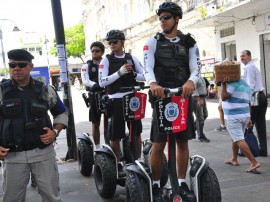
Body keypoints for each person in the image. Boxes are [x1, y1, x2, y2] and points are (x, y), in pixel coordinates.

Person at [143, 2, 200, 201]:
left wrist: (191, 81)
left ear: (177, 19)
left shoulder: (189, 42)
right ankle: (157, 185)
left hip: (183, 97)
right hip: (162, 97)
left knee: (182, 142)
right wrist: (153, 83)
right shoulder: (152, 42)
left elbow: (196, 68)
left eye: (166, 17)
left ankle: (182, 183)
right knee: (159, 144)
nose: (162, 21)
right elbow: (147, 67)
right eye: (160, 18)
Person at [0, 49, 68, 201]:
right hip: (13, 155)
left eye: (21, 65)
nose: (16, 68)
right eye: (12, 65)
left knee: (52, 197)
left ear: (31, 66)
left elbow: (62, 113)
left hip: (42, 153)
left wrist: (54, 132)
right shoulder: (1, 92)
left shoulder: (45, 90)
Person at [99, 30, 145, 163]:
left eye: (115, 42)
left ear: (122, 42)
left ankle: (138, 161)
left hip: (132, 99)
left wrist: (134, 75)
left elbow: (146, 76)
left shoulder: (132, 58)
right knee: (115, 135)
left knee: (136, 133)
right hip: (115, 100)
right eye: (110, 42)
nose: (112, 44)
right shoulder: (106, 60)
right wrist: (119, 73)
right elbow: (102, 82)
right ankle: (117, 164)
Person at [220, 77, 261, 172]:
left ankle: (254, 162)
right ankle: (234, 159)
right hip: (244, 115)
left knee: (238, 139)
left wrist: (223, 84)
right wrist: (249, 117)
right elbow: (249, 102)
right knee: (236, 137)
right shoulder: (245, 84)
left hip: (234, 117)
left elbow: (224, 97)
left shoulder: (232, 84)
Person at [241, 50, 268, 157]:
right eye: (240, 56)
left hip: (255, 97)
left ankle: (246, 149)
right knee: (260, 124)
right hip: (261, 96)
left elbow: (250, 86)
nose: (241, 57)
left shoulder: (249, 67)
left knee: (249, 123)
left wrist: (246, 101)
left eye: (243, 56)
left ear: (249, 56)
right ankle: (263, 149)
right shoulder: (253, 66)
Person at [81, 41, 105, 149]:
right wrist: (94, 85)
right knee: (95, 123)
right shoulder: (87, 66)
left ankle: (110, 145)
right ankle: (98, 147)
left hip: (107, 94)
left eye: (97, 51)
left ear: (102, 52)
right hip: (94, 95)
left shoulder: (106, 63)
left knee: (109, 121)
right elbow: (85, 80)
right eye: (93, 51)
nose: (94, 53)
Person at [193, 76, 210, 143]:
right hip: (197, 98)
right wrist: (198, 99)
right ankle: (201, 136)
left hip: (203, 98)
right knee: (200, 118)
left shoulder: (201, 77)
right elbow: (193, 88)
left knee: (205, 115)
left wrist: (206, 93)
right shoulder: (195, 77)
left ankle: (192, 129)